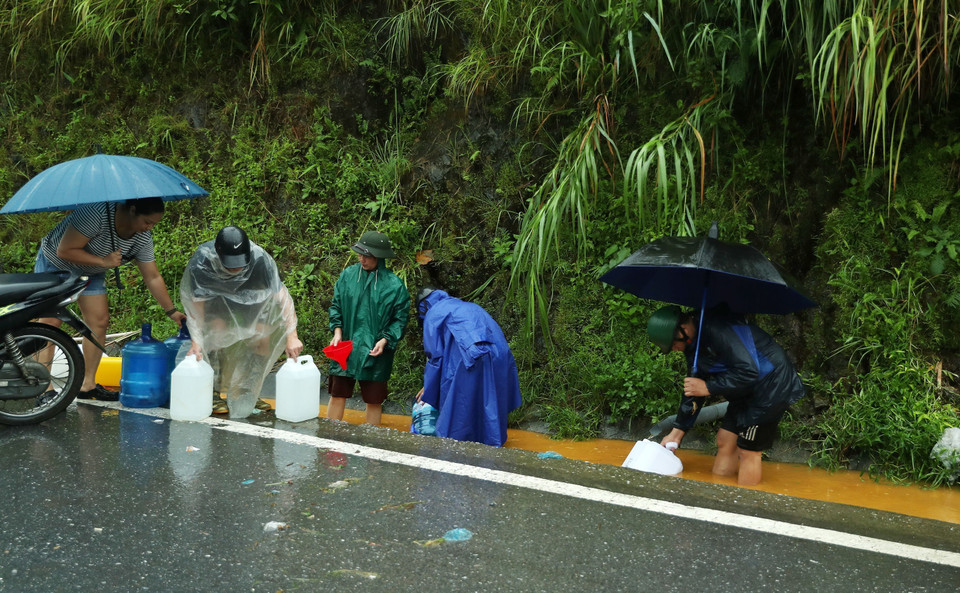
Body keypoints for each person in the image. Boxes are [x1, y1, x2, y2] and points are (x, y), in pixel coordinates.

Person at [35, 198, 187, 401]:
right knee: (51, 322)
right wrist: (103, 261)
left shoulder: (142, 238)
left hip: (92, 271)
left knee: (99, 321)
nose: (149, 228)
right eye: (147, 222)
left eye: (154, 224)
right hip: (56, 262)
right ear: (133, 210)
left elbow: (152, 276)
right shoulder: (95, 214)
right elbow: (65, 249)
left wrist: (171, 311)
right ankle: (43, 389)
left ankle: (86, 385)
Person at [648, 305, 805, 485]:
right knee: (725, 439)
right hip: (743, 387)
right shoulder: (693, 345)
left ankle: (743, 507)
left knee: (748, 450)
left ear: (682, 330)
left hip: (770, 385)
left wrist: (709, 387)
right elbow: (694, 389)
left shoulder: (718, 328)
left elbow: (749, 371)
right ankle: (720, 495)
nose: (675, 349)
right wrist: (677, 432)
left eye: (673, 344)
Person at [180, 226, 303, 418]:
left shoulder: (260, 260)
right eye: (230, 264)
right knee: (216, 331)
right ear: (218, 254)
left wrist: (292, 336)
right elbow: (198, 306)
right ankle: (213, 391)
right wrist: (197, 340)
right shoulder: (203, 261)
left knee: (262, 333)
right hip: (216, 305)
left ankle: (248, 390)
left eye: (240, 263)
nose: (236, 268)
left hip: (252, 305)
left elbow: (282, 297)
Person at [415, 288, 522, 447]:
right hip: (499, 354)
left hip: (470, 356)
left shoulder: (433, 313)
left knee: (459, 410)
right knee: (489, 402)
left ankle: (457, 455)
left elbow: (435, 356)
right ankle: (493, 448)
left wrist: (429, 387)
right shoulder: (466, 306)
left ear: (423, 308)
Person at [326, 231, 409, 425]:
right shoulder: (348, 275)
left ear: (379, 256)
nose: (362, 259)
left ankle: (371, 443)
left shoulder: (394, 286)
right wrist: (337, 332)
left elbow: (400, 319)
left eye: (367, 255)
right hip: (345, 345)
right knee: (337, 392)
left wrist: (385, 340)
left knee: (374, 399)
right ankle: (329, 438)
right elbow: (336, 305)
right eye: (360, 254)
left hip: (375, 349)